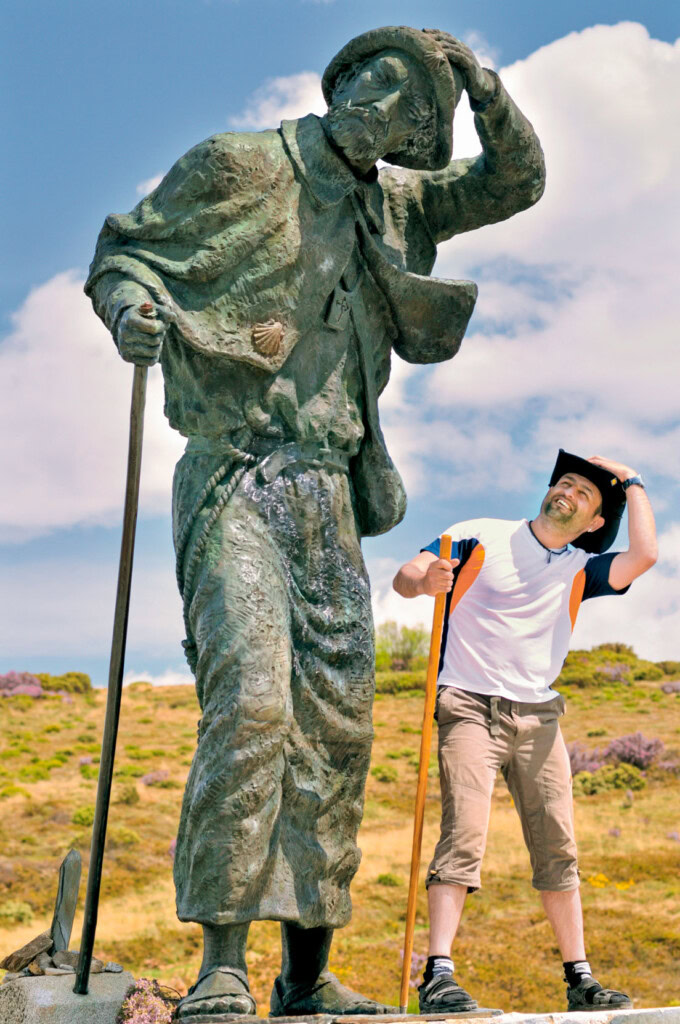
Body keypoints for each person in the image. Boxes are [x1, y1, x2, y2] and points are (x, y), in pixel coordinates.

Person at [85, 26, 545, 1020]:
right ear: (339, 81)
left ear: (418, 133)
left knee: (335, 726)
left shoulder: (401, 204)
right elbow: (124, 253)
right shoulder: (236, 164)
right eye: (372, 75)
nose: (377, 97)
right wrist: (130, 313)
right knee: (253, 704)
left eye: (406, 98)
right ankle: (221, 962)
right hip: (235, 472)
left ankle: (305, 973)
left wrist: (480, 86)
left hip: (328, 490)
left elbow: (516, 182)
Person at [393, 450, 657, 1013]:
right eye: (565, 482)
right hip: (468, 705)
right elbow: (406, 575)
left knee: (559, 846)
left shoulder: (581, 569)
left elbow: (645, 555)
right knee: (463, 834)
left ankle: (580, 979)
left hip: (539, 717)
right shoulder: (479, 534)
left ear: (594, 521)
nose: (569, 491)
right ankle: (437, 976)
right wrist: (425, 581)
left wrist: (631, 481)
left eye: (584, 493)